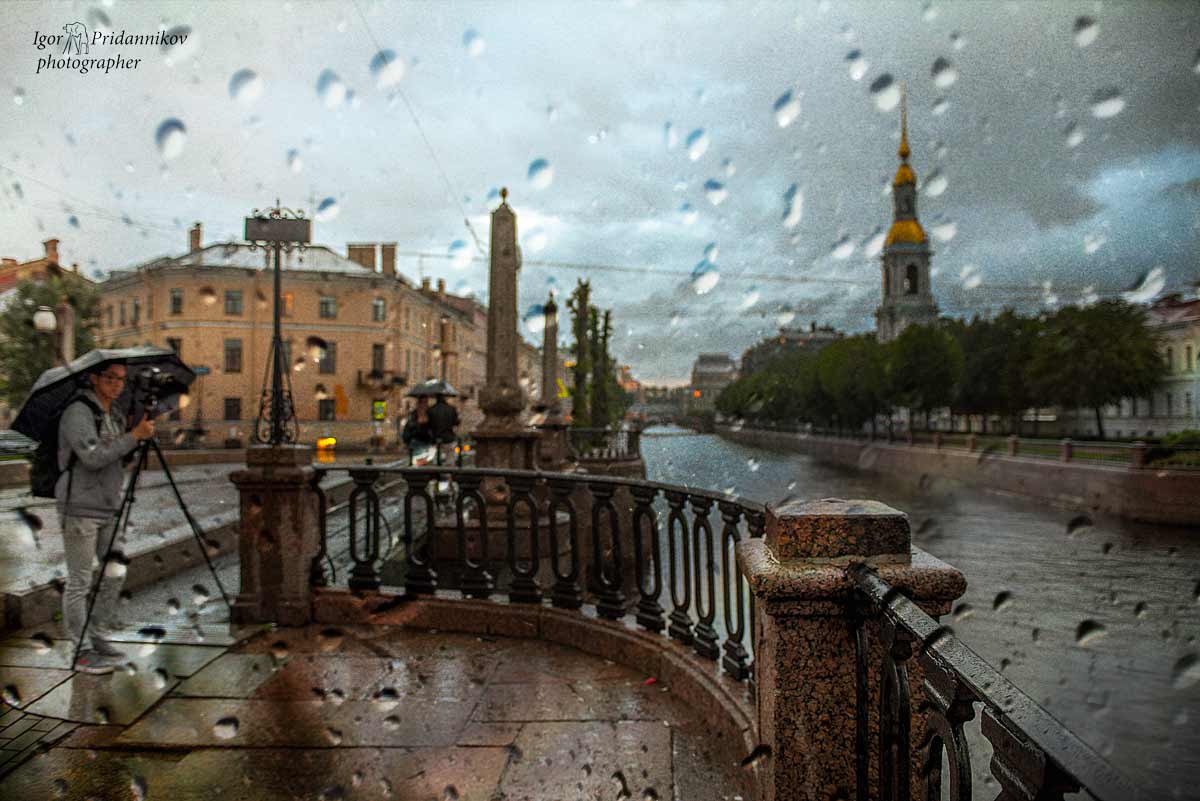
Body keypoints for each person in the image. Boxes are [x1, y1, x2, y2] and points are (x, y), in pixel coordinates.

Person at [57, 362, 155, 674]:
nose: (117, 385)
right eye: (111, 378)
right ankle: (81, 650)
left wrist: (135, 441)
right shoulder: (78, 412)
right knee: (80, 581)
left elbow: (113, 455)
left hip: (109, 507)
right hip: (80, 507)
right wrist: (132, 437)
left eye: (121, 380)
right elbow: (93, 456)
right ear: (95, 378)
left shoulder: (113, 414)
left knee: (114, 573)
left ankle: (97, 636)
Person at [427, 394, 460, 465]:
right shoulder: (451, 409)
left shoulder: (431, 410)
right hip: (448, 438)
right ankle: (448, 474)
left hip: (435, 439)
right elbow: (456, 423)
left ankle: (436, 474)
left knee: (435, 461)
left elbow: (428, 425)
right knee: (450, 461)